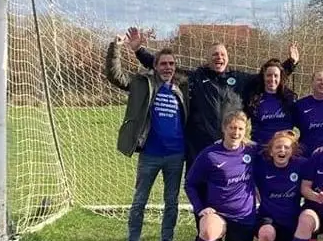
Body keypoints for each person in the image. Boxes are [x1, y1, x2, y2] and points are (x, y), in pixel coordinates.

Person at [126, 27, 299, 169]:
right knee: (198, 188)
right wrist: (139, 51)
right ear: (208, 58)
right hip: (200, 146)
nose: (219, 57)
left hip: (231, 144)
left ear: (228, 58)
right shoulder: (195, 78)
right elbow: (165, 69)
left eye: (222, 54)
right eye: (215, 55)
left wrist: (290, 63)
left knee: (228, 187)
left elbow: (268, 77)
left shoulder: (240, 79)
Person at [105, 35, 188, 241]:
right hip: (150, 155)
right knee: (139, 201)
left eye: (171, 64)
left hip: (176, 155)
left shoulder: (183, 87)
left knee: (171, 202)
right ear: (155, 66)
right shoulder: (143, 83)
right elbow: (115, 75)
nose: (168, 67)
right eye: (163, 63)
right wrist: (116, 48)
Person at [184, 111, 258, 241]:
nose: (236, 132)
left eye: (240, 128)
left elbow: (279, 151)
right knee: (208, 229)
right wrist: (201, 208)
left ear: (245, 131)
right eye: (232, 128)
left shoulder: (252, 151)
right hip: (219, 214)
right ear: (224, 128)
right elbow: (190, 183)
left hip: (243, 217)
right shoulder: (210, 154)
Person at [252, 131, 307, 241]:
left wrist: (322, 152)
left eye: (286, 147)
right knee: (267, 234)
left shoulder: (301, 165)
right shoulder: (262, 167)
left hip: (290, 224)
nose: (282, 150)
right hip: (268, 219)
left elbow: (318, 167)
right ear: (271, 151)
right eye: (278, 147)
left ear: (292, 151)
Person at [244, 59, 296, 146]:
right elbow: (240, 120)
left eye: (276, 76)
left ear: (281, 78)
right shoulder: (254, 100)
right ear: (263, 77)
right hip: (261, 149)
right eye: (269, 75)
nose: (272, 79)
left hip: (283, 150)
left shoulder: (289, 99)